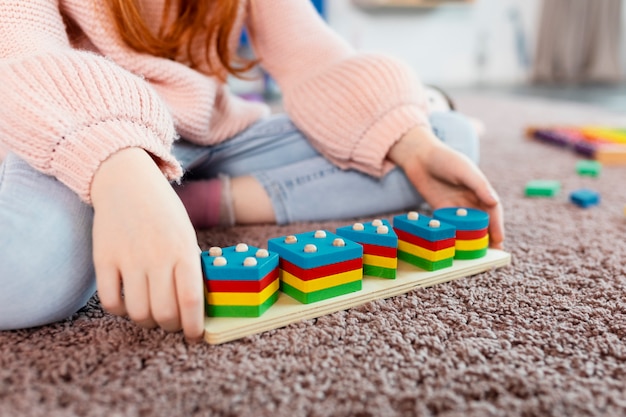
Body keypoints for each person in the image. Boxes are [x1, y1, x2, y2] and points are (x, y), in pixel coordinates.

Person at [0, 0, 504, 341]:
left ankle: (184, 202)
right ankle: (142, 199)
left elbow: (313, 56)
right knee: (23, 276)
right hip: (84, 128)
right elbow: (22, 50)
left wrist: (410, 143)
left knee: (443, 138)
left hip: (209, 132)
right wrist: (119, 170)